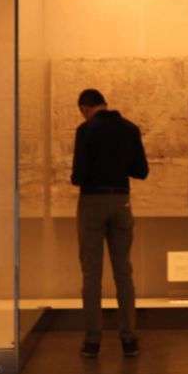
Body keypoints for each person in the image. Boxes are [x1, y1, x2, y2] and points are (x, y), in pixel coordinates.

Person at [71, 88, 149, 359]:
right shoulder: (130, 128)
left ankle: (92, 341)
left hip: (92, 202)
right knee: (123, 272)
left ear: (84, 108)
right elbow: (141, 171)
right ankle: (129, 340)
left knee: (92, 274)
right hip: (121, 201)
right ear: (104, 104)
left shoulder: (86, 130)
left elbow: (78, 176)